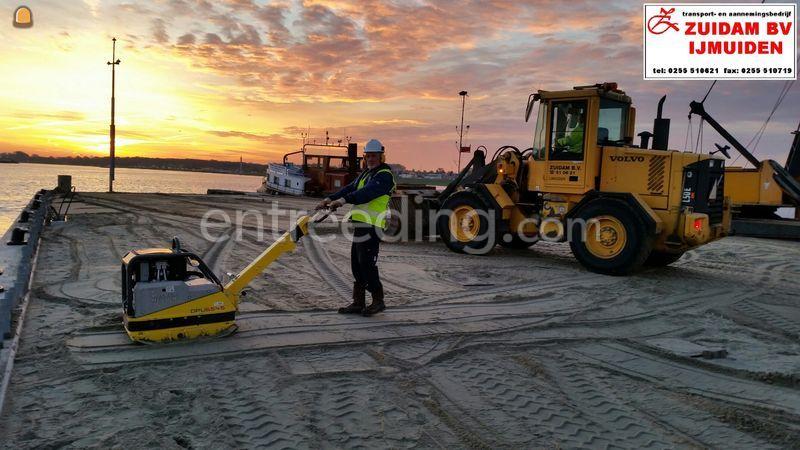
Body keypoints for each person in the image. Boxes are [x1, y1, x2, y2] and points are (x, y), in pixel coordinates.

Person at [316, 139, 396, 316]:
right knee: (357, 263)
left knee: (367, 263)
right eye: (368, 156)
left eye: (374, 156)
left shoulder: (384, 176)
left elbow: (365, 194)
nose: (371, 159)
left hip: (373, 225)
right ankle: (358, 302)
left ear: (381, 157)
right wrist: (330, 199)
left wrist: (343, 201)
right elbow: (350, 188)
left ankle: (378, 301)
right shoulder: (367, 174)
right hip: (361, 224)